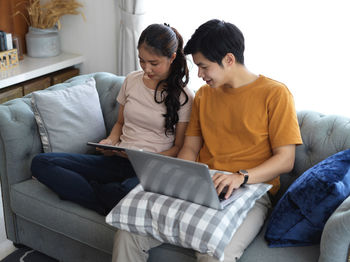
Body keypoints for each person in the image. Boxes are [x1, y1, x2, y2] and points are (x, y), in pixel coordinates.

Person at [112, 19, 303, 261]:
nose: (199, 75)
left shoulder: (275, 94)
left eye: (204, 67)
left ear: (229, 60)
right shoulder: (203, 96)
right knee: (128, 231)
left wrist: (240, 177)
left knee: (213, 254)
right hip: (202, 183)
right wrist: (178, 176)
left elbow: (286, 160)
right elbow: (190, 148)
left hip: (250, 189)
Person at [31, 23, 194, 216]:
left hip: (149, 170)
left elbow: (178, 148)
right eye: (142, 61)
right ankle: (107, 199)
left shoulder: (184, 97)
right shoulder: (132, 80)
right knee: (41, 163)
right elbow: (120, 124)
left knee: (124, 192)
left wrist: (143, 157)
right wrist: (110, 142)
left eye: (154, 63)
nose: (146, 68)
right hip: (118, 161)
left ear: (172, 58)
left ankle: (97, 193)